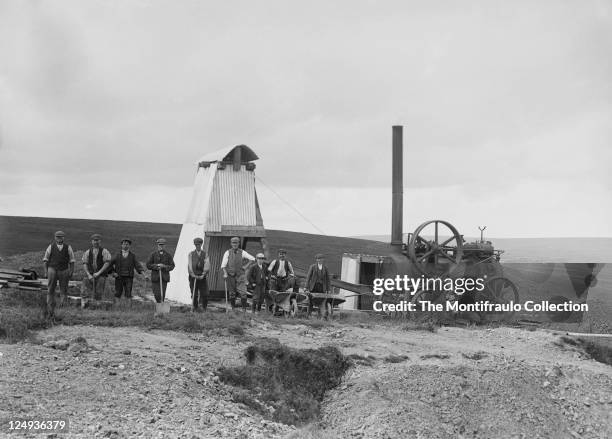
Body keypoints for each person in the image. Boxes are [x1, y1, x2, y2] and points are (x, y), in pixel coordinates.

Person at [42, 231, 75, 317]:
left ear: (64, 238)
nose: (59, 238)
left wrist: (71, 271)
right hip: (52, 269)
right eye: (57, 237)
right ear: (55, 238)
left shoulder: (68, 247)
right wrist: (46, 271)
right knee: (50, 289)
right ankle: (50, 308)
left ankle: (62, 309)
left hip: (64, 270)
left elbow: (72, 261)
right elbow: (45, 260)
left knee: (63, 290)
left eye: (61, 237)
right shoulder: (50, 247)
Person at [221, 236, 255, 311]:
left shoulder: (242, 252)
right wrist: (225, 273)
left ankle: (244, 309)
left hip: (240, 276)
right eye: (233, 243)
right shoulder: (227, 252)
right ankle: (233, 308)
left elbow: (252, 259)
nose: (235, 244)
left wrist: (246, 266)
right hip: (231, 275)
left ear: (239, 243)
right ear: (231, 243)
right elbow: (223, 265)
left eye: (236, 243)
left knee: (243, 292)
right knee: (232, 293)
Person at [81, 234, 112, 305]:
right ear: (92, 242)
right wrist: (88, 274)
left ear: (100, 241)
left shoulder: (104, 251)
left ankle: (97, 305)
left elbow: (107, 263)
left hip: (101, 275)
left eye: (97, 240)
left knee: (99, 291)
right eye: (94, 240)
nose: (96, 242)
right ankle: (85, 304)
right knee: (85, 290)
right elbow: (84, 263)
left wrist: (99, 273)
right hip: (90, 274)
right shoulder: (88, 252)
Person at [146, 238, 175, 303]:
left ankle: (161, 308)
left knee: (162, 294)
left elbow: (172, 266)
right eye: (160, 245)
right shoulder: (153, 255)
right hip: (155, 278)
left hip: (164, 278)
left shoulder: (168, 255)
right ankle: (159, 304)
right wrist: (156, 266)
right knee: (156, 294)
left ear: (165, 246)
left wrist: (164, 266)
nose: (161, 246)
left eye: (162, 245)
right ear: (157, 245)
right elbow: (148, 265)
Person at [188, 237, 210, 312]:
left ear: (201, 244)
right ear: (194, 245)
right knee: (194, 294)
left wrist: (203, 275)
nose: (198, 246)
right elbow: (190, 265)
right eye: (196, 244)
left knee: (205, 294)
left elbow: (207, 264)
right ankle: (195, 307)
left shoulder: (205, 254)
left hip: (202, 277)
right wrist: (192, 274)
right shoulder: (191, 254)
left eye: (199, 244)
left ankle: (204, 308)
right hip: (193, 277)